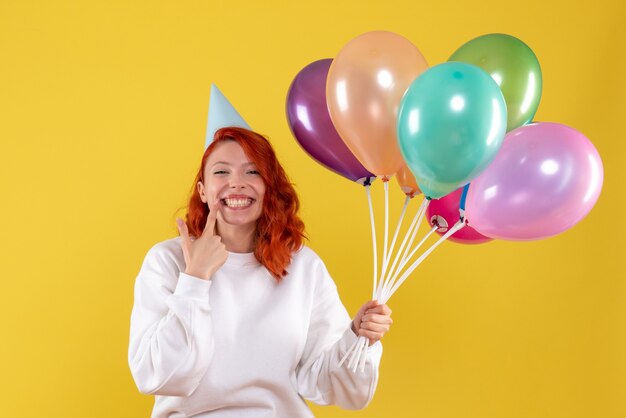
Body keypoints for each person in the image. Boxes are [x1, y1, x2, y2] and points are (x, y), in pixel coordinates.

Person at [128, 127, 393, 417]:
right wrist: (195, 279)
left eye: (252, 172)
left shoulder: (303, 267)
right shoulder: (167, 261)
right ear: (203, 191)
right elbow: (156, 375)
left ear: (269, 188)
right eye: (221, 172)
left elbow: (333, 387)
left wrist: (357, 336)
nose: (237, 183)